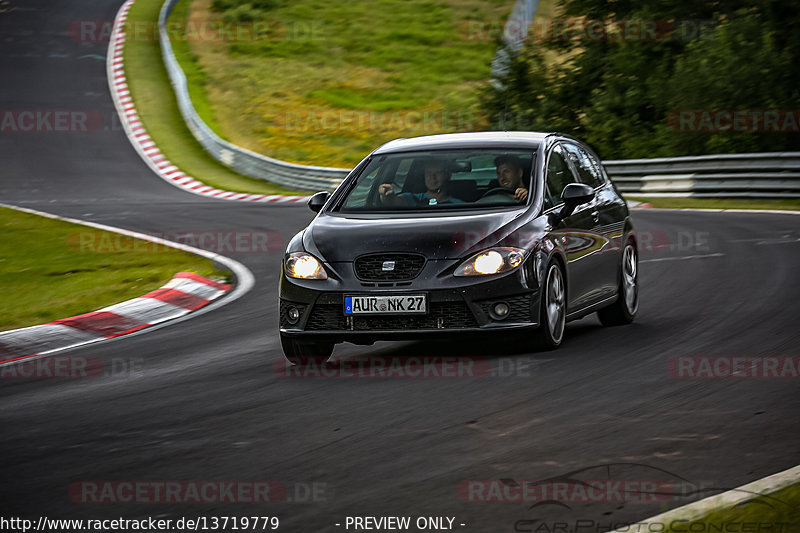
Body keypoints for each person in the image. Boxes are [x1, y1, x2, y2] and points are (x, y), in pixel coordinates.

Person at [378, 160, 463, 206]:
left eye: (438, 172)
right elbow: (392, 202)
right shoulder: (412, 199)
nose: (432, 177)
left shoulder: (459, 205)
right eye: (428, 172)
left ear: (448, 175)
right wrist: (385, 194)